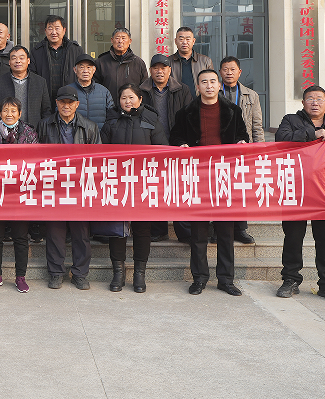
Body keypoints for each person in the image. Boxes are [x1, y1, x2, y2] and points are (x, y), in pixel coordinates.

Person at [169, 69, 248, 297]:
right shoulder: (186, 113)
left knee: (225, 232)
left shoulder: (232, 111)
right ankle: (200, 278)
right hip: (198, 177)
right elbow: (176, 137)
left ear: (219, 84)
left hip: (224, 177)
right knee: (199, 233)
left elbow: (243, 136)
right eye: (204, 82)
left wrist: (242, 141)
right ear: (198, 86)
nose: (209, 86)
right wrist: (181, 144)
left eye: (213, 81)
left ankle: (226, 279)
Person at [275, 85, 325, 303]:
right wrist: (313, 133)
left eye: (319, 99)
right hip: (296, 192)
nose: (315, 102)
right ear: (303, 103)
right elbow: (282, 140)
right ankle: (290, 280)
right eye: (310, 99)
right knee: (292, 238)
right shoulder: (291, 121)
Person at [100, 84, 168, 292]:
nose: (127, 101)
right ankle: (118, 272)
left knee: (142, 229)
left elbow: (162, 150)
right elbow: (101, 150)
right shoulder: (111, 120)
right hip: (117, 181)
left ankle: (140, 273)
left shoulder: (150, 119)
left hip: (142, 182)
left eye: (131, 97)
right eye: (123, 98)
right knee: (117, 229)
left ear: (140, 99)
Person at [36, 86, 101, 290]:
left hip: (79, 187)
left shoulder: (89, 127)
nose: (66, 106)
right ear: (56, 103)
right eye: (62, 102)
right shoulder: (45, 125)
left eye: (70, 102)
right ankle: (56, 272)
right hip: (53, 185)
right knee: (55, 231)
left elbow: (98, 159)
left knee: (81, 232)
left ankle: (80, 273)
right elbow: (35, 155)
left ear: (77, 104)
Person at [0, 97, 37, 293]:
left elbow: (34, 161)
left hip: (20, 193)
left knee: (21, 237)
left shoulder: (28, 133)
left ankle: (20, 277)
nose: (9, 114)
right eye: (5, 110)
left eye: (13, 111)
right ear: (0, 113)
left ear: (20, 114)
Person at [139, 54, 192, 243]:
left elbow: (188, 118)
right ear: (150, 71)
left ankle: (184, 231)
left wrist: (184, 141)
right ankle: (158, 229)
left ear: (170, 70)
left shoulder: (182, 90)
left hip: (177, 145)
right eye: (156, 68)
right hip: (152, 147)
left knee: (179, 189)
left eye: (163, 68)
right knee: (156, 189)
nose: (159, 71)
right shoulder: (142, 91)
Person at [219, 55, 265, 245]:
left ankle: (240, 229)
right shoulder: (213, 91)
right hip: (219, 150)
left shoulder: (250, 95)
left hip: (242, 149)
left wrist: (259, 150)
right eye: (225, 69)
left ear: (239, 72)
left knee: (240, 190)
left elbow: (257, 125)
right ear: (220, 72)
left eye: (232, 69)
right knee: (219, 189)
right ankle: (219, 228)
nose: (229, 73)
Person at [0, 45, 51, 130]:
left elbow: (46, 111)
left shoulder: (40, 82)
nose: (18, 61)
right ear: (9, 62)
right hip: (4, 134)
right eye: (14, 58)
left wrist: (43, 132)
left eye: (21, 58)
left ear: (28, 61)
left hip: (33, 133)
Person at [29, 15, 86, 109]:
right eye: (50, 28)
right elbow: (32, 77)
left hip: (70, 100)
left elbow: (83, 73)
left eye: (57, 28)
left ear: (64, 30)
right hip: (45, 101)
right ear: (45, 31)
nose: (54, 32)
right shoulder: (37, 51)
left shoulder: (75, 50)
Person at [94, 27, 149, 103]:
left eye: (123, 38)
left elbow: (144, 87)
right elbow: (95, 86)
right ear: (112, 40)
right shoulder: (101, 62)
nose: (120, 41)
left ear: (130, 41)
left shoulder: (138, 62)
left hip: (132, 108)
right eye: (117, 38)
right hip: (108, 107)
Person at [61, 56, 115, 130]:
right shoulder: (67, 91)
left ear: (94, 70)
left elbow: (112, 116)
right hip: (74, 137)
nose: (85, 71)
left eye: (89, 67)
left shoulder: (104, 91)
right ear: (75, 70)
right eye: (82, 67)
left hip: (99, 137)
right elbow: (60, 114)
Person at [167, 26, 213, 98]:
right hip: (176, 104)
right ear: (175, 41)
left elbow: (211, 84)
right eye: (181, 39)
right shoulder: (168, 62)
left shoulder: (205, 61)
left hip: (199, 103)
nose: (185, 42)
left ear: (193, 41)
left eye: (188, 39)